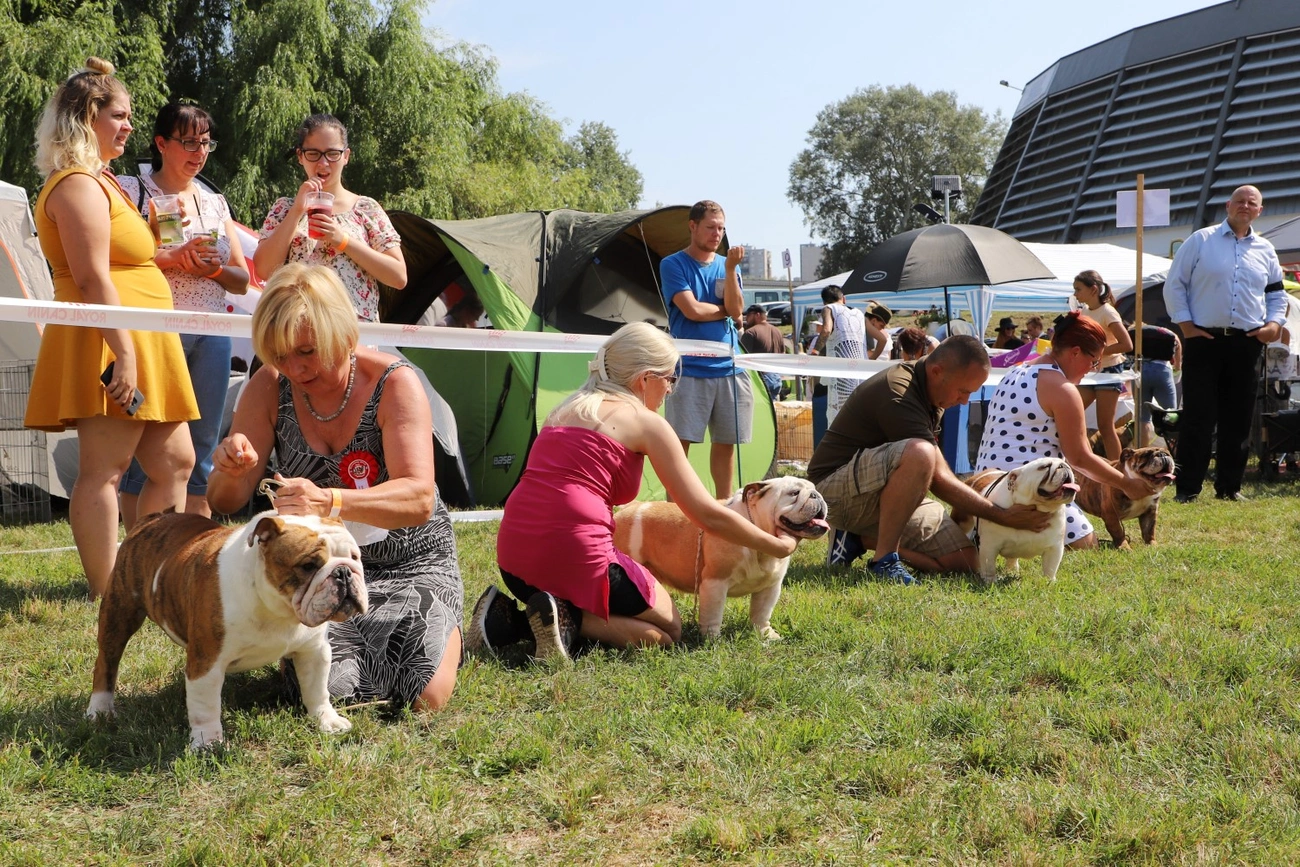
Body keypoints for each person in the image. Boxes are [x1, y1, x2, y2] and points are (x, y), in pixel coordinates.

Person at [207, 263, 462, 712]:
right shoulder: (268, 387)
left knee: (425, 695)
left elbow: (419, 499)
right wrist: (229, 469)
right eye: (279, 355)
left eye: (307, 351)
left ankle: (461, 629)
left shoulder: (395, 382)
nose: (294, 368)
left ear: (342, 333)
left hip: (410, 562)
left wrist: (329, 501)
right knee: (335, 693)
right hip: (313, 572)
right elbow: (223, 501)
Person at [469, 323, 796, 661]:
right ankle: (543, 619)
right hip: (577, 556)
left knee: (624, 607)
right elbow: (706, 513)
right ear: (645, 379)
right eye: (670, 379)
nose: (670, 389)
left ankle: (516, 616)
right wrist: (775, 545)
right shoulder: (647, 423)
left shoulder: (563, 410)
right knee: (668, 632)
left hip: (514, 561)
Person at [23, 57, 198, 600]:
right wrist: (124, 354)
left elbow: (128, 259)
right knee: (105, 469)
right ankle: (108, 593)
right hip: (110, 338)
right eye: (118, 115)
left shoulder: (105, 182)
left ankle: (148, 578)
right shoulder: (76, 184)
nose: (128, 126)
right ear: (85, 118)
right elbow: (93, 278)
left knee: (177, 462)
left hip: (143, 335)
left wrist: (164, 241)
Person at [808, 335, 1051, 585]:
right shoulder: (898, 391)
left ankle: (856, 539)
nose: (964, 401)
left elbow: (935, 469)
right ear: (937, 371)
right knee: (920, 453)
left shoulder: (934, 390)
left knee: (965, 563)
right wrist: (1001, 515)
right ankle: (885, 560)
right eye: (963, 391)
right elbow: (937, 477)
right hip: (832, 493)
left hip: (878, 493)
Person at [117, 102, 250, 525]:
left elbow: (241, 279)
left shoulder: (215, 202)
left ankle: (192, 546)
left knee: (203, 444)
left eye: (206, 143)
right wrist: (172, 257)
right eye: (190, 142)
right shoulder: (131, 190)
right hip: (155, 328)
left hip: (212, 330)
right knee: (148, 444)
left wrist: (212, 270)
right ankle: (138, 549)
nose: (200, 152)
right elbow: (117, 259)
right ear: (161, 143)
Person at [975, 312, 1161, 548]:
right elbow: (1080, 457)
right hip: (1026, 491)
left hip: (984, 489)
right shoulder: (1062, 389)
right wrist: (1126, 484)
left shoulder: (1015, 371)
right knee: (1087, 545)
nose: (1092, 369)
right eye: (1094, 361)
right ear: (1075, 352)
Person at [1163, 184, 1286, 502]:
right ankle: (1188, 488)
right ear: (1228, 205)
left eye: (1252, 203)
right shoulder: (1200, 240)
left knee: (1239, 417)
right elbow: (1175, 284)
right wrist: (1185, 324)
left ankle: (1230, 487)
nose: (1245, 206)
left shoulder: (1266, 250)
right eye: (1240, 201)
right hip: (1204, 340)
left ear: (1260, 210)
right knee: (1198, 416)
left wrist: (1274, 325)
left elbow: (1276, 294)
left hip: (1247, 343)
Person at [254, 114, 406, 322]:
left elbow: (398, 277)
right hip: (298, 325)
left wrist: (343, 240)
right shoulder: (285, 208)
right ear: (300, 156)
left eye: (333, 154)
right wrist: (297, 210)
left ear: (346, 156)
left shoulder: (366, 208)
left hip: (352, 328)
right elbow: (263, 269)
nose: (323, 163)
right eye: (313, 154)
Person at [658, 200, 750, 497]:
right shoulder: (672, 264)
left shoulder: (728, 266)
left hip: (730, 368)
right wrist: (726, 311)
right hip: (689, 369)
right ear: (693, 226)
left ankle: (724, 506)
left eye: (721, 228)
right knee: (678, 446)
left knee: (726, 445)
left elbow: (737, 310)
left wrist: (731, 269)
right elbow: (693, 310)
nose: (717, 234)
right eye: (710, 227)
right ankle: (675, 510)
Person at [1073, 270, 1133, 461]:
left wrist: (1098, 352)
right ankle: (1085, 463)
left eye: (1078, 289)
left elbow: (1127, 344)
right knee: (1072, 416)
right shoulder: (1084, 311)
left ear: (1093, 290)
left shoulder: (1108, 312)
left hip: (1110, 371)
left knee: (1105, 426)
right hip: (1090, 372)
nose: (1075, 294)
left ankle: (1118, 469)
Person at [818, 285, 868, 425]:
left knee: (839, 413)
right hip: (860, 370)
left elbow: (826, 330)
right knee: (856, 412)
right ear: (843, 299)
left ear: (824, 302)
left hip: (840, 369)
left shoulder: (828, 309)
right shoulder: (859, 313)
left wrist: (815, 352)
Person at [1127, 323, 1182, 444]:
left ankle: (1143, 451)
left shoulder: (1134, 335)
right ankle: (1174, 451)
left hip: (1139, 371)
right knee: (1171, 415)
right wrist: (1178, 366)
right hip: (1162, 371)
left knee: (1142, 419)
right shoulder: (1162, 332)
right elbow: (1177, 340)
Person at [740, 303, 786, 399]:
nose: (746, 319)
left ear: (757, 315)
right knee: (772, 406)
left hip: (760, 378)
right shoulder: (777, 331)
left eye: (748, 315)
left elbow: (743, 359)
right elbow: (783, 353)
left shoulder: (750, 332)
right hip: (776, 378)